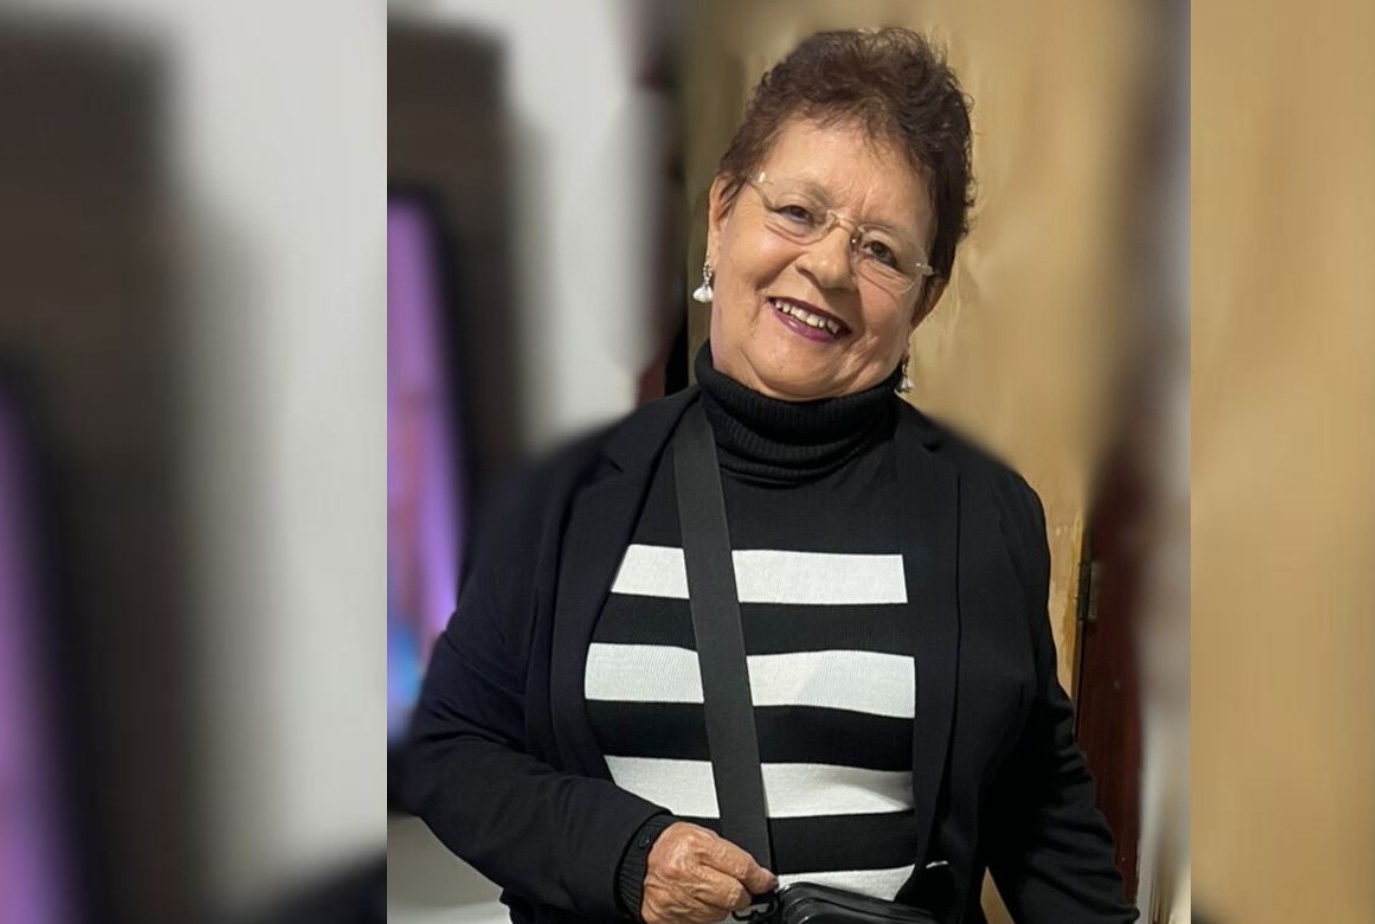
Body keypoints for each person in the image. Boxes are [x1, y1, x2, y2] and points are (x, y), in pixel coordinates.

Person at [399, 27, 1135, 924]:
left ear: (925, 299)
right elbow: (451, 747)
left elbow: (1040, 807)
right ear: (721, 215)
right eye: (797, 211)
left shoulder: (983, 513)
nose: (826, 266)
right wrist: (627, 856)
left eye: (881, 250)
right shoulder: (568, 495)